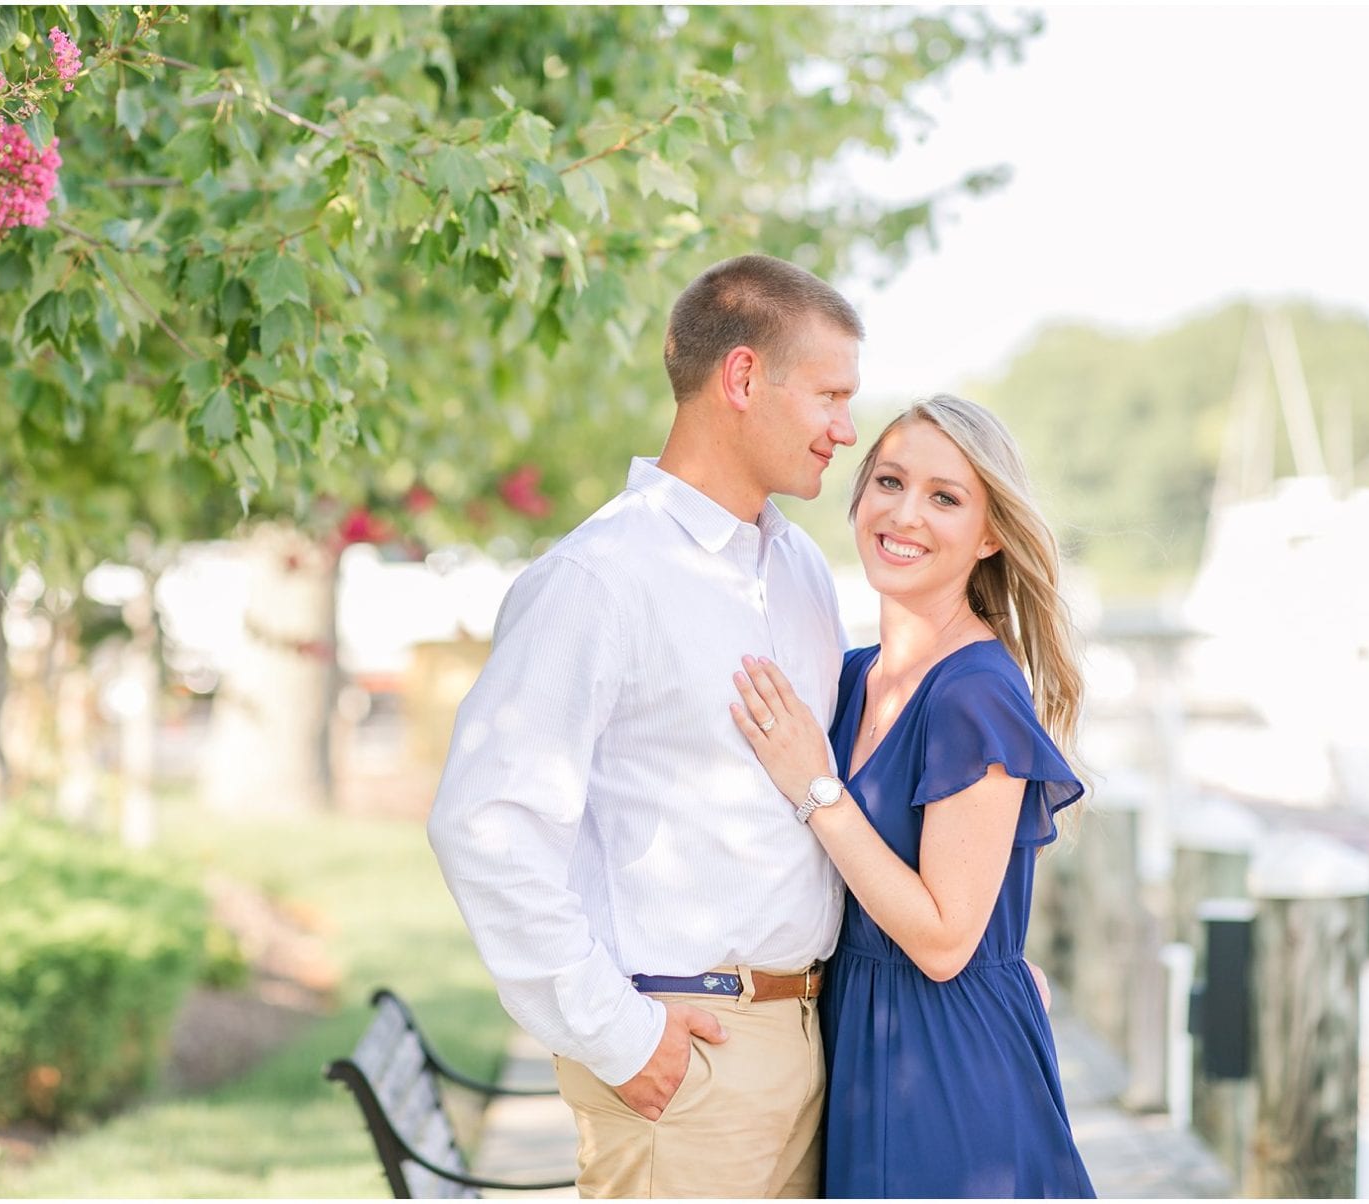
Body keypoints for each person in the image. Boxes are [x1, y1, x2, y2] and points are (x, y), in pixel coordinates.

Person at [427, 253, 864, 1198]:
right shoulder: (600, 578)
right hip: (683, 1057)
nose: (848, 428)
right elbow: (484, 824)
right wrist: (618, 1038)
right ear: (743, 377)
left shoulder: (804, 577)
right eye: (830, 394)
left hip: (808, 1048)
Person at [727, 393, 1096, 1198]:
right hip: (862, 1043)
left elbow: (942, 940)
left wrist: (813, 786)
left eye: (945, 497)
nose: (906, 514)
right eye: (889, 482)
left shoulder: (974, 694)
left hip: (947, 1066)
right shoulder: (855, 676)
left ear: (991, 534)